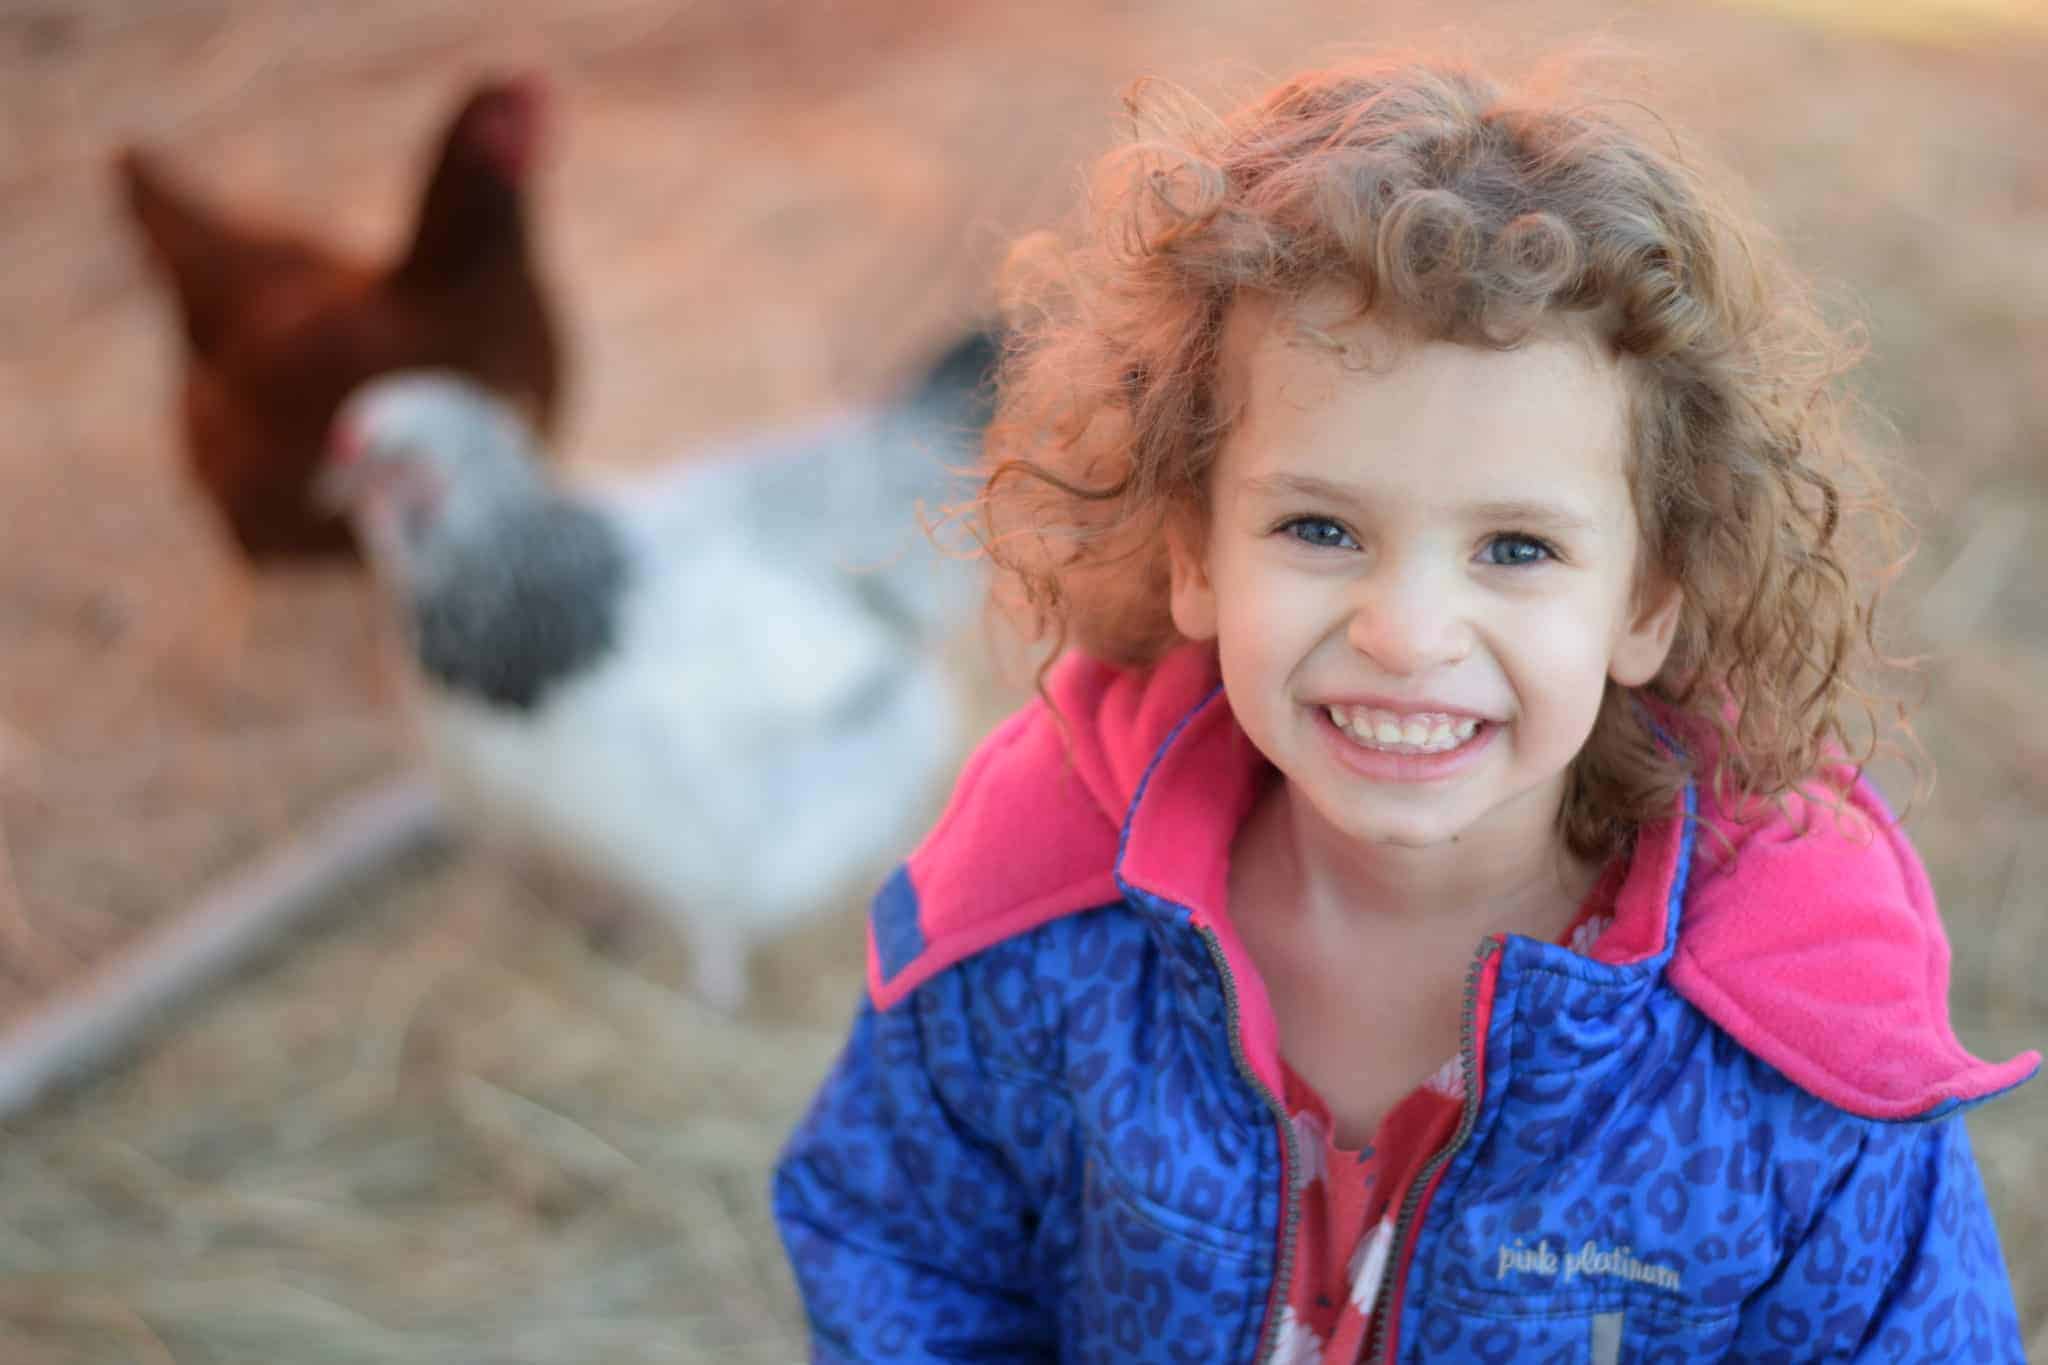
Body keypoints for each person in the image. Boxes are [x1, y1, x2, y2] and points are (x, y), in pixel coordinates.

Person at [772, 52, 2037, 1363]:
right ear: (1196, 552)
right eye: (1321, 526)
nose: (1407, 633)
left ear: (1649, 601)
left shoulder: (1782, 1065)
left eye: (1515, 549)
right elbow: (899, 1250)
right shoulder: (1035, 930)